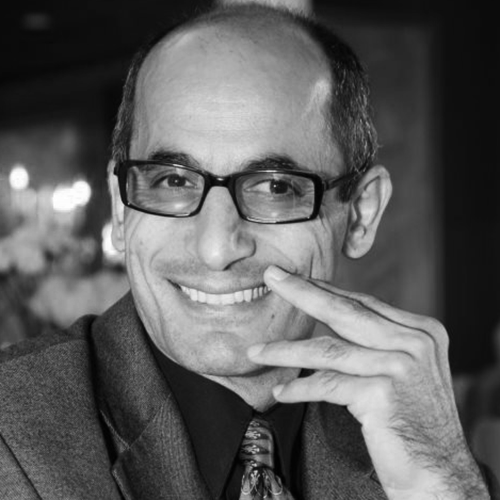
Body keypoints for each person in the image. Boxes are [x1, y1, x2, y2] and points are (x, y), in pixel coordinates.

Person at [0, 3, 498, 499]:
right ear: (121, 208)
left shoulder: (417, 454)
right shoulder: (11, 434)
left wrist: (443, 484)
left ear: (361, 213)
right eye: (173, 180)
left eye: (276, 187)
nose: (217, 249)